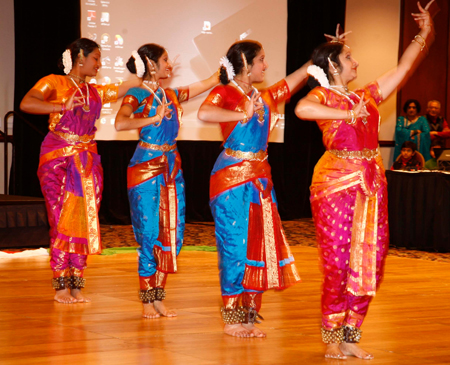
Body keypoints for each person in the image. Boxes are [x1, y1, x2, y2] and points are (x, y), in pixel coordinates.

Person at [295, 1, 435, 360]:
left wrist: (424, 33)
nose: (356, 63)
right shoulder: (323, 95)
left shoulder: (368, 95)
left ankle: (351, 336)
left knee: (369, 261)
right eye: (349, 58)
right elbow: (302, 110)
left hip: (371, 186)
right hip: (336, 186)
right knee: (339, 263)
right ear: (333, 65)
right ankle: (330, 338)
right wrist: (344, 111)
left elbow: (403, 68)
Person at [197, 40, 309, 338]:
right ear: (245, 63)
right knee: (234, 246)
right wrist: (241, 113)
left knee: (257, 247)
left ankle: (248, 316)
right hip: (232, 179)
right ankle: (231, 317)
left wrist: (319, 57)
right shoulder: (226, 92)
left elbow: (297, 77)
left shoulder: (266, 96)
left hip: (260, 179)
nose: (265, 65)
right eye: (261, 59)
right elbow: (204, 114)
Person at [20, 38, 141, 304]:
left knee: (83, 221)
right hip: (58, 159)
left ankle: (76, 283)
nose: (99, 64)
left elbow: (128, 86)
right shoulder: (54, 82)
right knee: (61, 219)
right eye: (96, 58)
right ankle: (60, 285)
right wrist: (61, 106)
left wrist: (143, 65)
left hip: (87, 162)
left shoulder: (95, 90)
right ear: (80, 57)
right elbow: (27, 103)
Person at [114, 44, 219, 319]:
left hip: (172, 169)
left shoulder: (169, 94)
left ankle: (159, 296)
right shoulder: (137, 94)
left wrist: (224, 70)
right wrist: (152, 117)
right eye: (164, 60)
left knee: (172, 234)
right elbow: (119, 123)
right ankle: (147, 300)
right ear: (150, 63)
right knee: (149, 234)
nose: (170, 64)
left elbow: (205, 84)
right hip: (146, 169)